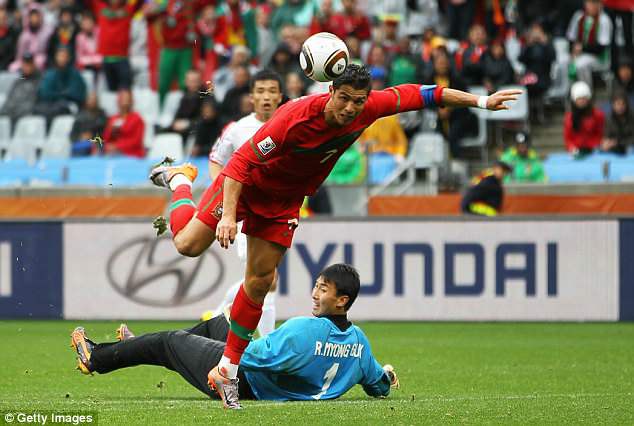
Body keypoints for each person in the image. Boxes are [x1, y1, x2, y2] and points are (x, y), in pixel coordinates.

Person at [148, 64, 520, 409]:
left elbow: (426, 94)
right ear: (330, 91)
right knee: (188, 245)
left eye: (358, 101)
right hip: (246, 185)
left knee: (260, 281)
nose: (350, 108)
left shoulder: (369, 108)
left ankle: (227, 371)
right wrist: (229, 215)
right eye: (344, 99)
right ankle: (180, 179)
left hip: (284, 201)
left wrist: (481, 101)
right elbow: (241, 164)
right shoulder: (295, 117)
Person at [69, 264, 400, 403]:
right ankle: (142, 347)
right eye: (316, 286)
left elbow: (251, 355)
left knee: (171, 342)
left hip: (242, 383)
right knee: (219, 320)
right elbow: (378, 387)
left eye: (323, 290)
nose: (315, 294)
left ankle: (95, 357)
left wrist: (215, 362)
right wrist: (385, 374)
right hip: (259, 380)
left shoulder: (304, 330)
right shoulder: (359, 344)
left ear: (342, 300)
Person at [206, 69, 284, 338]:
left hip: (276, 210)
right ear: (251, 96)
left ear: (280, 96)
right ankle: (270, 343)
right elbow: (216, 160)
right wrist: (224, 198)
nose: (266, 97)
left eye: (271, 91)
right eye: (260, 91)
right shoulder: (238, 129)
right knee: (267, 277)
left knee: (261, 277)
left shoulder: (290, 122)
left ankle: (215, 315)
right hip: (246, 211)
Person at [34, 47, 87, 127]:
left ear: (68, 58)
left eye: (64, 56)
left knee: (59, 109)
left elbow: (77, 95)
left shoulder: (75, 74)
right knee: (37, 109)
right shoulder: (50, 73)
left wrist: (58, 94)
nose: (61, 59)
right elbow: (44, 93)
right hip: (51, 104)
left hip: (69, 105)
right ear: (56, 57)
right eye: (59, 56)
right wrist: (63, 93)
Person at [566, 0, 612, 89]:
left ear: (600, 5)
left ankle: (586, 93)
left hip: (599, 58)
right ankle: (568, 93)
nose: (591, 5)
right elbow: (571, 38)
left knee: (581, 64)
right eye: (589, 2)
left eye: (594, 3)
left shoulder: (604, 19)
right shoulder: (579, 16)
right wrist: (572, 51)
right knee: (563, 61)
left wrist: (582, 49)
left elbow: (601, 48)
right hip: (578, 53)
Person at [564, 80, 604, 155]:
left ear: (588, 99)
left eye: (584, 98)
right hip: (576, 152)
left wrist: (596, 145)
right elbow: (568, 138)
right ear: (574, 100)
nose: (582, 101)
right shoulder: (569, 117)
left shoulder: (598, 114)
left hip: (594, 151)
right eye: (579, 98)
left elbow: (600, 134)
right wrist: (572, 148)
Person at [0, 53, 40, 126]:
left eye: (29, 64)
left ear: (33, 65)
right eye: (25, 64)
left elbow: (31, 103)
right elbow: (9, 99)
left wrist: (16, 112)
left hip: (24, 118)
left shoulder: (38, 81)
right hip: (10, 114)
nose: (26, 67)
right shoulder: (18, 81)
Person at [102, 89, 145, 157]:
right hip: (113, 153)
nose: (124, 101)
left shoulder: (137, 118)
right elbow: (106, 138)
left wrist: (117, 146)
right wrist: (111, 130)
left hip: (132, 154)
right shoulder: (113, 118)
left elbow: (136, 141)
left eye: (126, 98)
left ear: (131, 101)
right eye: (122, 98)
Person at [168, 69, 204, 141]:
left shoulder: (206, 95)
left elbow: (205, 119)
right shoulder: (184, 95)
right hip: (180, 129)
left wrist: (188, 124)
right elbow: (177, 114)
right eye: (189, 81)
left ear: (200, 82)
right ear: (186, 82)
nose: (192, 84)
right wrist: (175, 123)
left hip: (197, 131)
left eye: (194, 81)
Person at [602, 91, 634, 155]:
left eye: (622, 104)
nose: (620, 107)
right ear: (613, 105)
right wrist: (606, 142)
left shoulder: (632, 117)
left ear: (626, 105)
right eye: (618, 104)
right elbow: (607, 135)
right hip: (615, 150)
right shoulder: (609, 119)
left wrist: (618, 142)